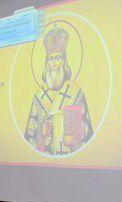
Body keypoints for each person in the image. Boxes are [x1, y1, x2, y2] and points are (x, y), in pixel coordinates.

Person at [25, 26, 94, 154]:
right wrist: (42, 134)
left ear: (64, 61)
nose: (54, 64)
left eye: (58, 58)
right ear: (46, 63)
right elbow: (30, 139)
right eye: (51, 59)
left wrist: (73, 142)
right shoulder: (39, 96)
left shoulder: (76, 93)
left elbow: (87, 137)